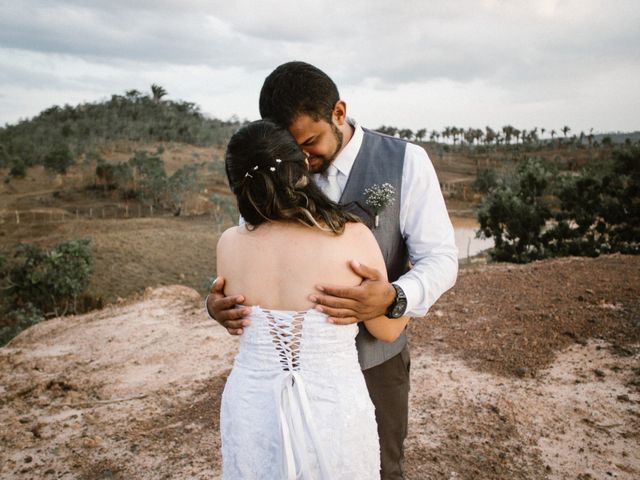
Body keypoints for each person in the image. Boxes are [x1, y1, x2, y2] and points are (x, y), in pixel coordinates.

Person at [208, 61, 458, 479]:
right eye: (291, 149)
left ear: (338, 113)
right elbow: (250, 248)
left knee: (382, 467)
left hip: (378, 364)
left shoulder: (406, 161)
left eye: (309, 142)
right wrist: (215, 301)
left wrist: (396, 298)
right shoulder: (272, 175)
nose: (302, 160)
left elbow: (442, 258)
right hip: (279, 386)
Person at [217, 119, 408, 479]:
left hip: (253, 405)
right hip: (332, 407)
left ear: (238, 185)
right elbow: (386, 330)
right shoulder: (352, 238)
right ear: (302, 167)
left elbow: (230, 310)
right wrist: (398, 289)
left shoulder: (229, 243)